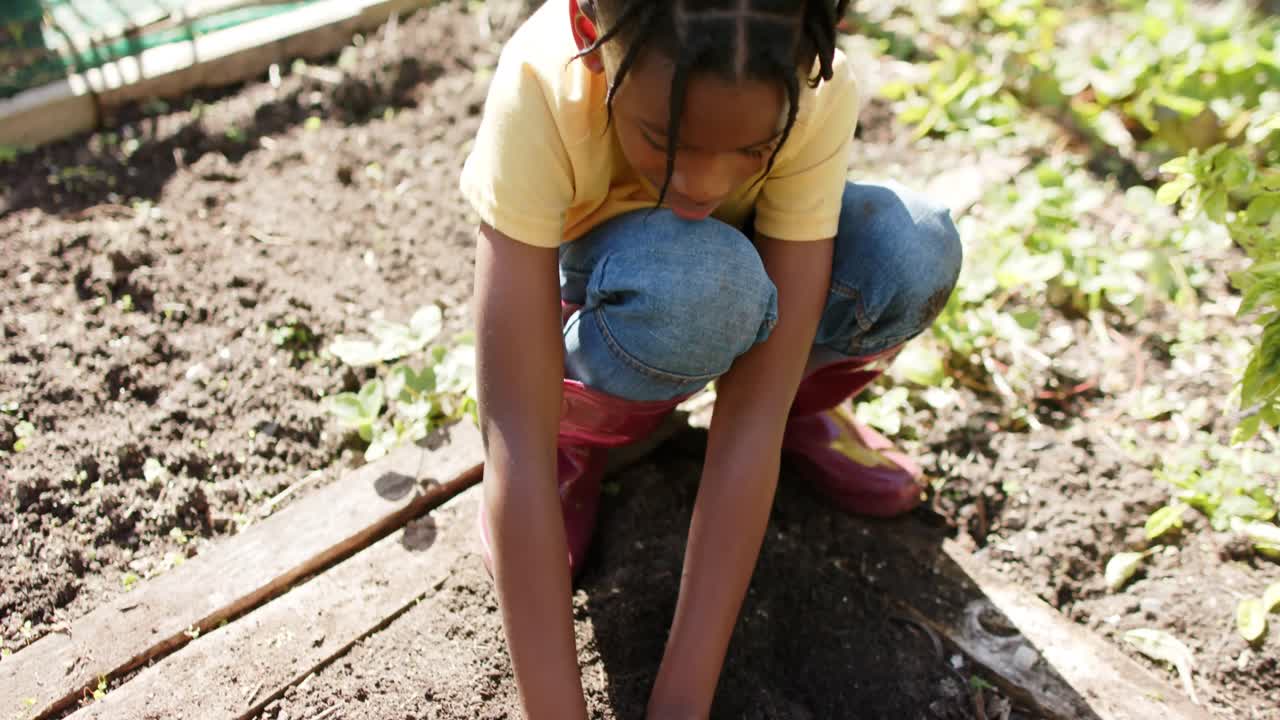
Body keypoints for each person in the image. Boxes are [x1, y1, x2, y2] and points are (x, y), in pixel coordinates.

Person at [459, 0, 962, 717]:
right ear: (589, 33)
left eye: (752, 150)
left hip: (738, 279)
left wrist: (683, 704)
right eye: (665, 140)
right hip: (613, 298)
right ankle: (583, 439)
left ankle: (806, 409)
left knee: (911, 252)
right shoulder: (544, 82)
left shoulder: (808, 79)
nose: (705, 184)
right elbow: (513, 439)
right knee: (700, 285)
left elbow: (747, 424)